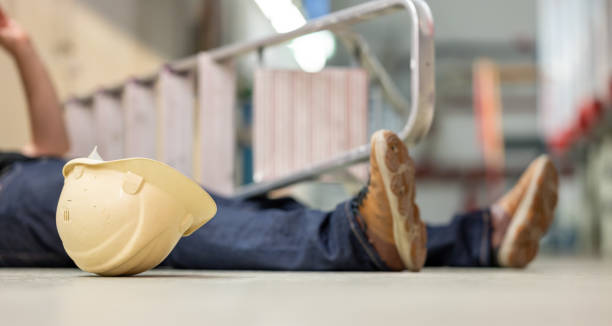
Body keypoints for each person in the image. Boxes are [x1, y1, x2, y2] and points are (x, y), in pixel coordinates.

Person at [0, 8, 559, 271]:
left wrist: (23, 47)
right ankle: (358, 237)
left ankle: (479, 238)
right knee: (168, 215)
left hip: (23, 179)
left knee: (233, 207)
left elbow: (48, 153)